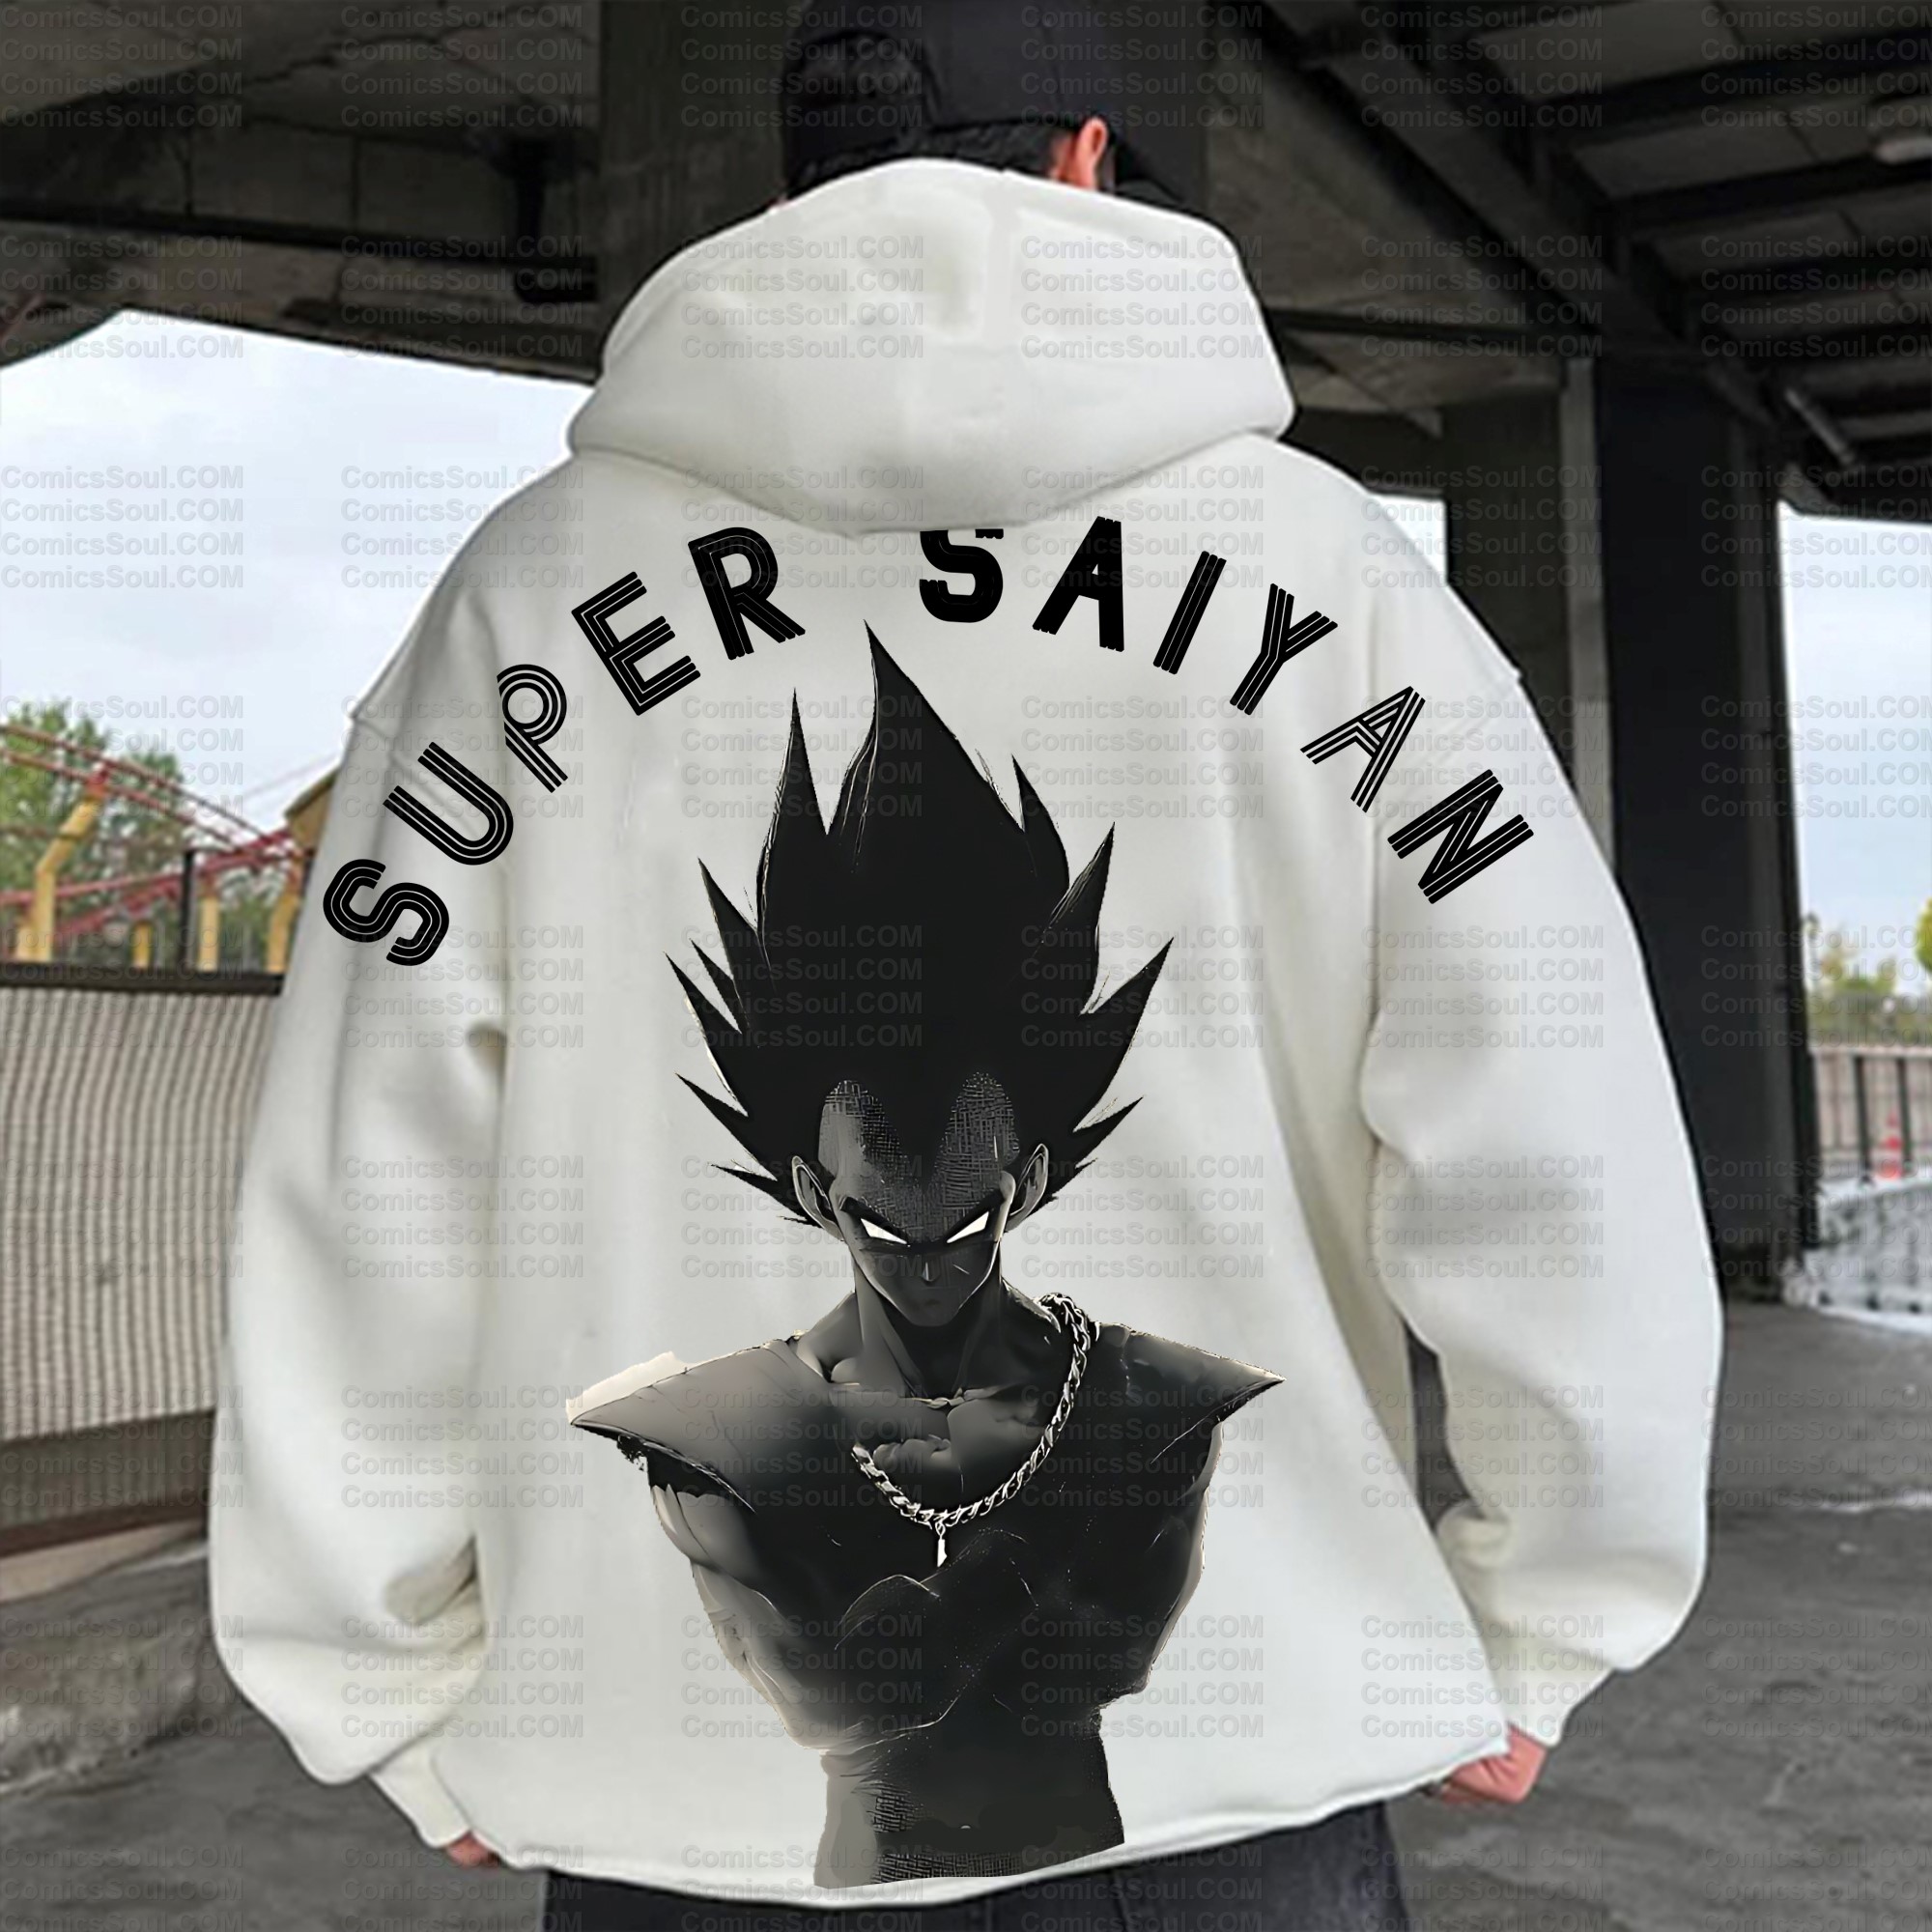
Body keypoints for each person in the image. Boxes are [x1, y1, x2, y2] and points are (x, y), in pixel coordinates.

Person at [209, 6, 1723, 1930]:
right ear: (1088, 157)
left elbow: (368, 1182)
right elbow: (1551, 1125)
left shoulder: (526, 596)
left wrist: (387, 1684)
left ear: (797, 184)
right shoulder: (1333, 585)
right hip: (1236, 1795)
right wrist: (1549, 1609)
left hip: (674, 1819)